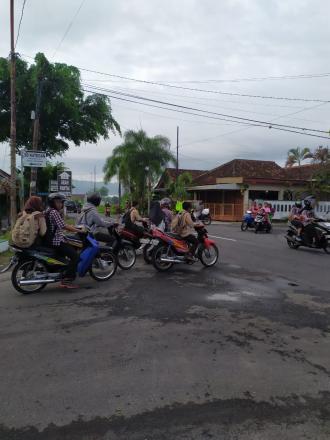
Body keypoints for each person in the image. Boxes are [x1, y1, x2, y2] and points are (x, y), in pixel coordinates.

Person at [45, 193, 81, 289]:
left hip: (52, 240)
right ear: (52, 202)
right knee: (75, 257)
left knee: (64, 257)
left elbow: (59, 225)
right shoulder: (54, 212)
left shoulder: (48, 211)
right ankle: (67, 280)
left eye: (61, 202)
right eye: (58, 202)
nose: (61, 204)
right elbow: (63, 226)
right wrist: (78, 230)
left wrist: (72, 227)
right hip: (56, 241)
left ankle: (62, 274)